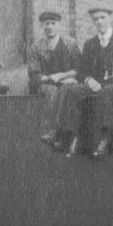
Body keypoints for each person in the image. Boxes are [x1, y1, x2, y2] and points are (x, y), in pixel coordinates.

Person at [49, 7, 113, 158]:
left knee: (108, 91)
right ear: (92, 21)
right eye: (96, 19)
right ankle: (67, 136)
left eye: (102, 17)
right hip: (97, 84)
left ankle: (105, 139)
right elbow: (81, 71)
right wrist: (88, 80)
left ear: (109, 19)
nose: (99, 21)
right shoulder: (90, 44)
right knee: (71, 90)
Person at [31, 11, 83, 151]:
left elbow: (79, 69)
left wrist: (62, 76)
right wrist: (48, 78)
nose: (49, 27)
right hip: (47, 85)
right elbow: (34, 75)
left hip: (67, 82)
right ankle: (53, 130)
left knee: (68, 90)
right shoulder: (36, 47)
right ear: (42, 26)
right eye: (46, 24)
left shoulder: (70, 44)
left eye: (53, 23)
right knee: (52, 91)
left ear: (59, 25)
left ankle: (64, 133)